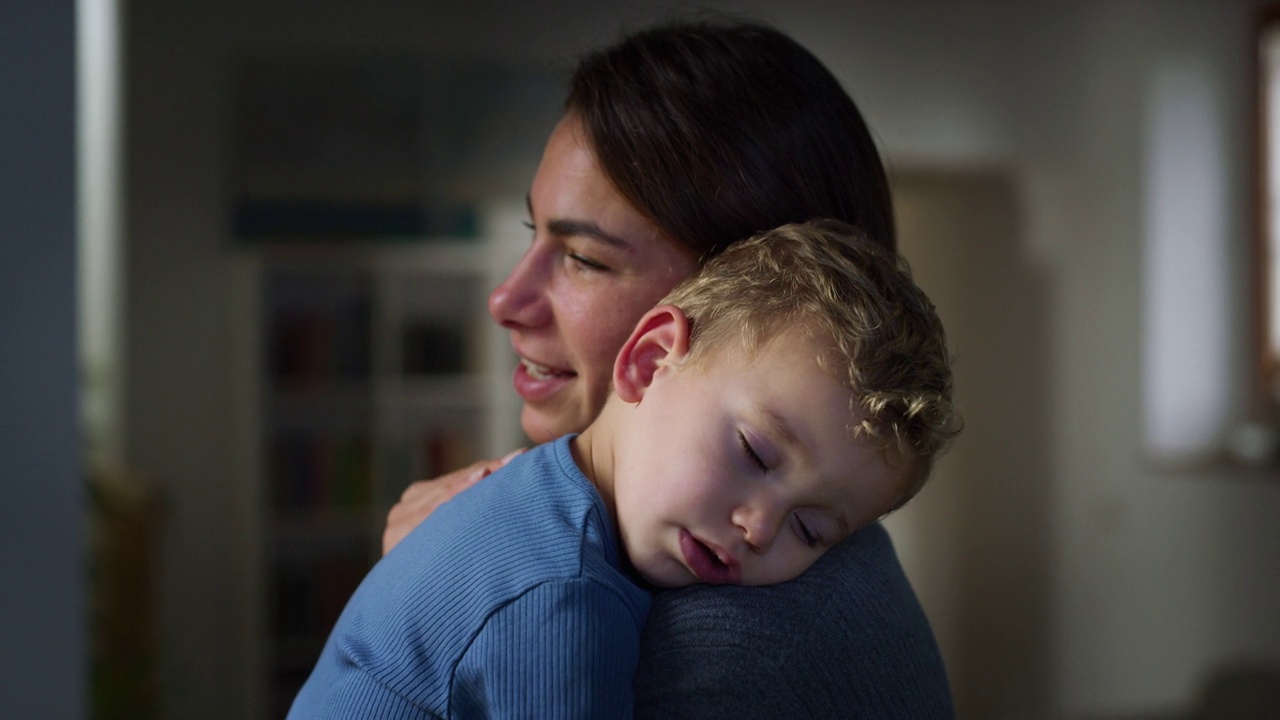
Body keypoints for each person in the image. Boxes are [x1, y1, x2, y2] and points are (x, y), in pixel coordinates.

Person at [382, 18, 959, 718]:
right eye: (538, 233)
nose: (506, 299)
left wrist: (436, 606)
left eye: (585, 259)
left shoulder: (721, 653)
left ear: (745, 297)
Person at [289, 221, 957, 718]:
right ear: (647, 362)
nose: (759, 527)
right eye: (755, 453)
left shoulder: (539, 496)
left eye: (811, 530)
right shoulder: (563, 595)